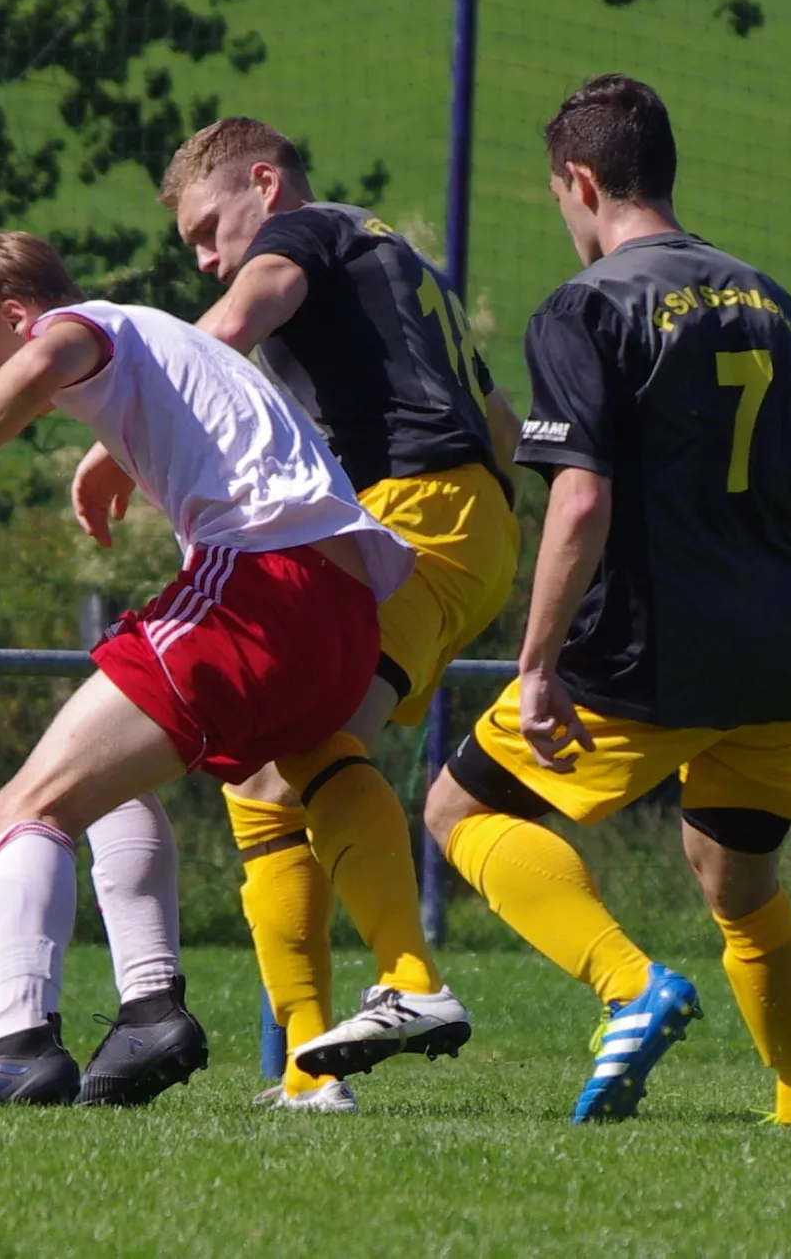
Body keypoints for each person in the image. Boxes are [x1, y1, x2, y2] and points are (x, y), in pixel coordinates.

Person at [0, 231, 413, 1106]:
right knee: (105, 780)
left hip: (266, 588)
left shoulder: (78, 328)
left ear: (15, 315)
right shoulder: (156, 337)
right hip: (345, 622)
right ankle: (149, 1013)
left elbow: (39, 363)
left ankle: (20, 1044)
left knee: (22, 808)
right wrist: (113, 456)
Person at [422, 75, 791, 1126]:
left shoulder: (589, 306)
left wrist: (537, 664)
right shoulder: (769, 300)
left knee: (458, 809)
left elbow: (580, 500)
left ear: (580, 181)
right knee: (736, 882)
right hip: (782, 645)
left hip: (652, 645)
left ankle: (632, 986)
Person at [76, 117, 522, 1111]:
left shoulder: (303, 234)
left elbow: (240, 315)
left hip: (410, 507)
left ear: (265, 183)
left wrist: (119, 437)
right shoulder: (394, 260)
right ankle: (306, 1071)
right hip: (466, 522)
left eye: (208, 228)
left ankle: (410, 980)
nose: (204, 257)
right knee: (267, 777)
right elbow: (499, 422)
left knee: (310, 741)